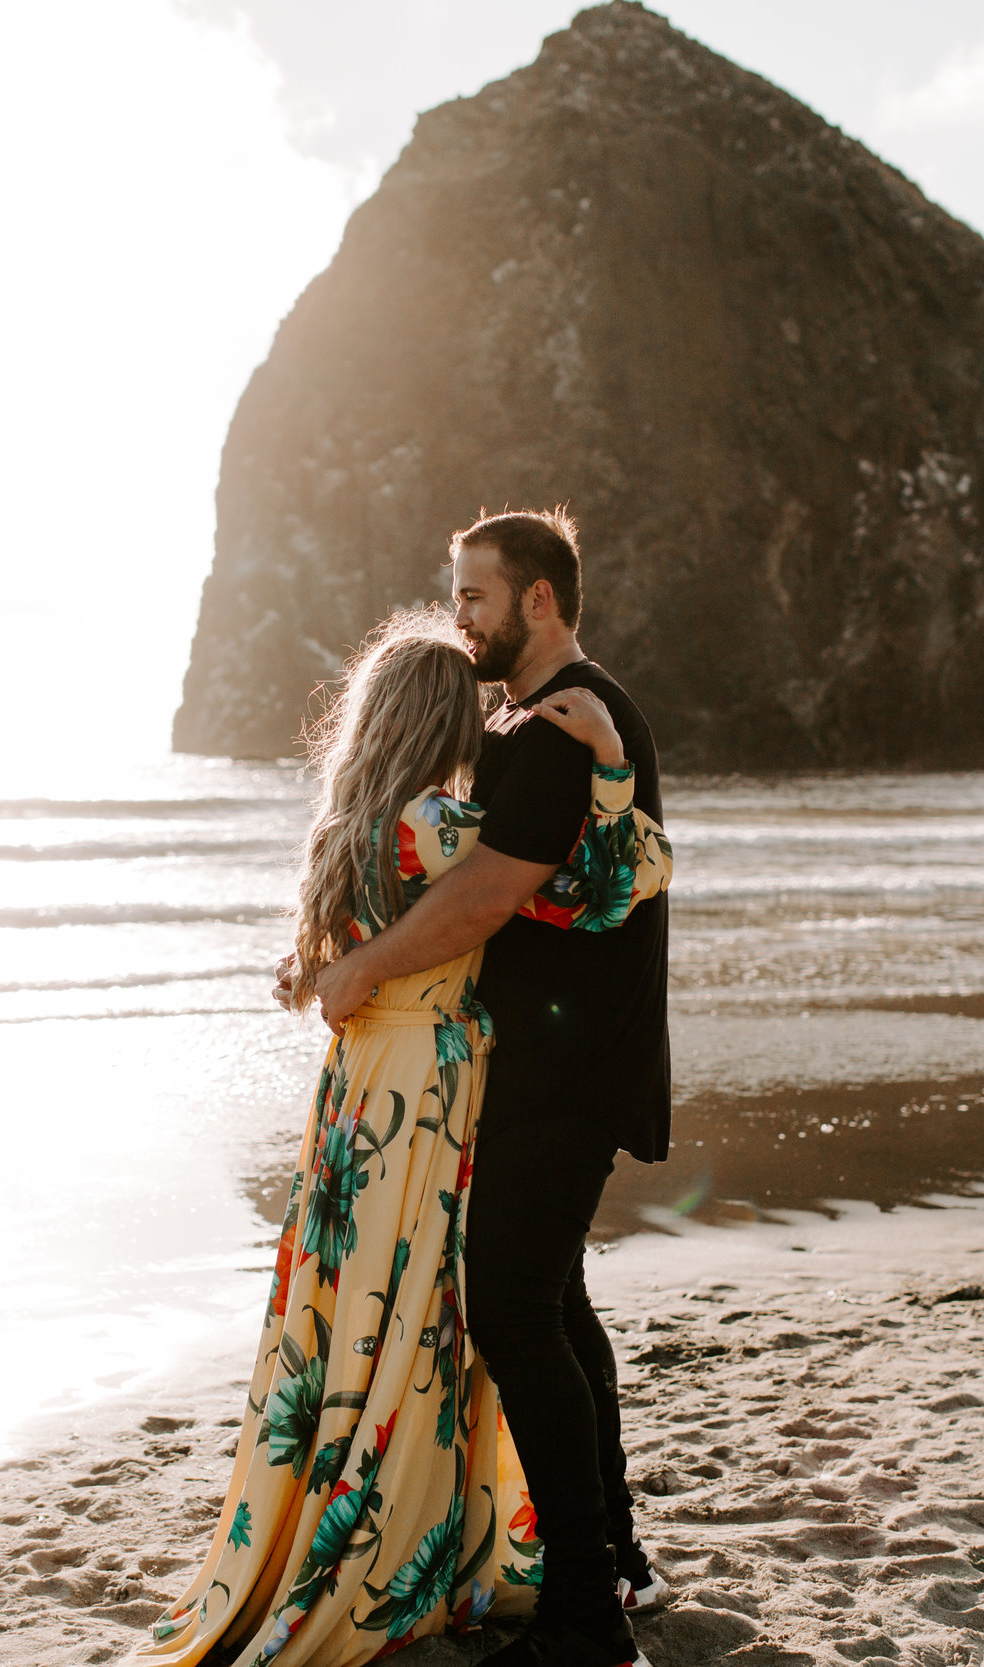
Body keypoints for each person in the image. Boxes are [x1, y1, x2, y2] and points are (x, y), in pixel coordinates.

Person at [137, 611, 670, 1667]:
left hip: (352, 1094)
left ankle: (345, 1514)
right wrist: (610, 766)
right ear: (443, 720)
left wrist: (331, 971)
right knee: (416, 1312)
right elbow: (612, 884)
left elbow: (306, 967)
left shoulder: (347, 826)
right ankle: (416, 1539)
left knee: (349, 1303)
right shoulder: (443, 827)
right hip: (425, 1090)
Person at [313, 509, 670, 1667]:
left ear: (541, 600)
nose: (457, 617)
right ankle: (608, 1559)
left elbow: (494, 892)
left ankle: (582, 1612)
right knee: (551, 1300)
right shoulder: (535, 725)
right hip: (551, 1062)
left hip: (565, 1069)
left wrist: (363, 967)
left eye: (474, 597)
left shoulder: (568, 724)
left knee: (515, 1305)